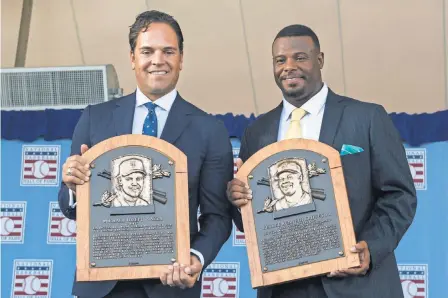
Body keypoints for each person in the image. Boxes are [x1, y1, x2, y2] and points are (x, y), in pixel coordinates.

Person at [227, 24, 417, 298]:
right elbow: (250, 222)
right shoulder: (256, 132)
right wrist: (238, 200)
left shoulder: (367, 118)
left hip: (356, 285)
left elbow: (399, 195)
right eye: (280, 60)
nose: (288, 66)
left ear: (320, 60)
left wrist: (371, 247)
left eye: (299, 57)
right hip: (283, 288)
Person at [58, 10, 234, 298]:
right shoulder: (94, 119)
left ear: (181, 58)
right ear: (132, 59)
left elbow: (217, 216)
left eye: (168, 51)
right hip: (101, 286)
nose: (158, 60)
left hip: (170, 286)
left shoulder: (209, 130)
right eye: (147, 51)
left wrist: (195, 258)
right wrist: (71, 187)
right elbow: (69, 207)